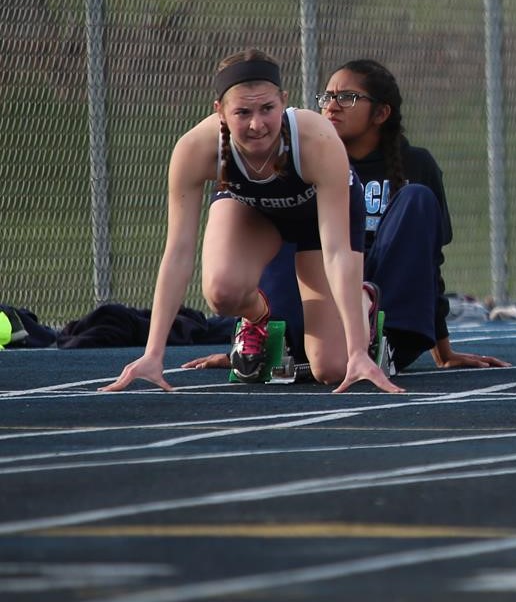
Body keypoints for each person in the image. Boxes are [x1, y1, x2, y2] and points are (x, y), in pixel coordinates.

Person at [181, 59, 507, 376]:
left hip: (378, 290)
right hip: (317, 282)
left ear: (381, 113)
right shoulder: (303, 155)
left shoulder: (416, 164)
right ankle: (266, 338)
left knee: (416, 198)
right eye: (327, 97)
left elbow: (429, 261)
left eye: (347, 98)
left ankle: (379, 341)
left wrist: (443, 349)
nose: (332, 106)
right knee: (275, 204)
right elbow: (261, 242)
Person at [102, 50, 401, 393]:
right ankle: (257, 319)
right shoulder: (196, 148)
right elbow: (179, 252)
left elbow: (336, 251)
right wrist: (153, 353)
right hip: (255, 212)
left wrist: (358, 352)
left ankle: (364, 302)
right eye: (242, 113)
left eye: (267, 110)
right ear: (220, 112)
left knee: (332, 367)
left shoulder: (316, 140)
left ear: (283, 102)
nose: (257, 125)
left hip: (316, 218)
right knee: (222, 291)